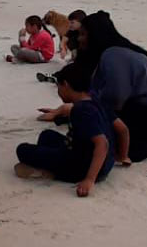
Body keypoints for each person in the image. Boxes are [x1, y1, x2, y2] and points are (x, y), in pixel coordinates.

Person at [38, 11, 147, 162]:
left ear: (95, 35)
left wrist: (75, 109)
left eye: (83, 34)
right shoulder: (107, 52)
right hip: (133, 109)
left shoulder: (113, 55)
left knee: (90, 142)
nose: (79, 38)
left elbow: (115, 100)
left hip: (138, 112)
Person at [16, 63, 124, 196]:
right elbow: (122, 129)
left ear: (65, 85)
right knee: (46, 135)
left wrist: (89, 180)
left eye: (58, 87)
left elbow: (102, 144)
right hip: (101, 162)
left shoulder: (81, 110)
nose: (58, 92)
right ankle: (54, 162)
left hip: (80, 166)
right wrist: (122, 156)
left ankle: (54, 172)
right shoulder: (94, 99)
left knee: (22, 149)